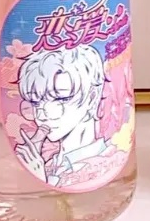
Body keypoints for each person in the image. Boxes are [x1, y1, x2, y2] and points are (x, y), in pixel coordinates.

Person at [15, 45, 112, 187]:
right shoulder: (46, 165)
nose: (41, 115)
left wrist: (41, 180)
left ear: (91, 98)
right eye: (35, 102)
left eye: (61, 98)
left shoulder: (110, 160)